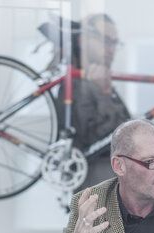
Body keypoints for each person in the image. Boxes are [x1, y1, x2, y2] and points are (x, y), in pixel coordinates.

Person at [55, 13, 131, 192]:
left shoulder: (100, 82)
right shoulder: (74, 85)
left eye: (114, 42)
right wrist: (104, 95)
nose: (111, 48)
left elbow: (128, 132)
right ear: (83, 41)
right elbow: (100, 142)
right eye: (105, 40)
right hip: (98, 192)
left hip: (113, 190)